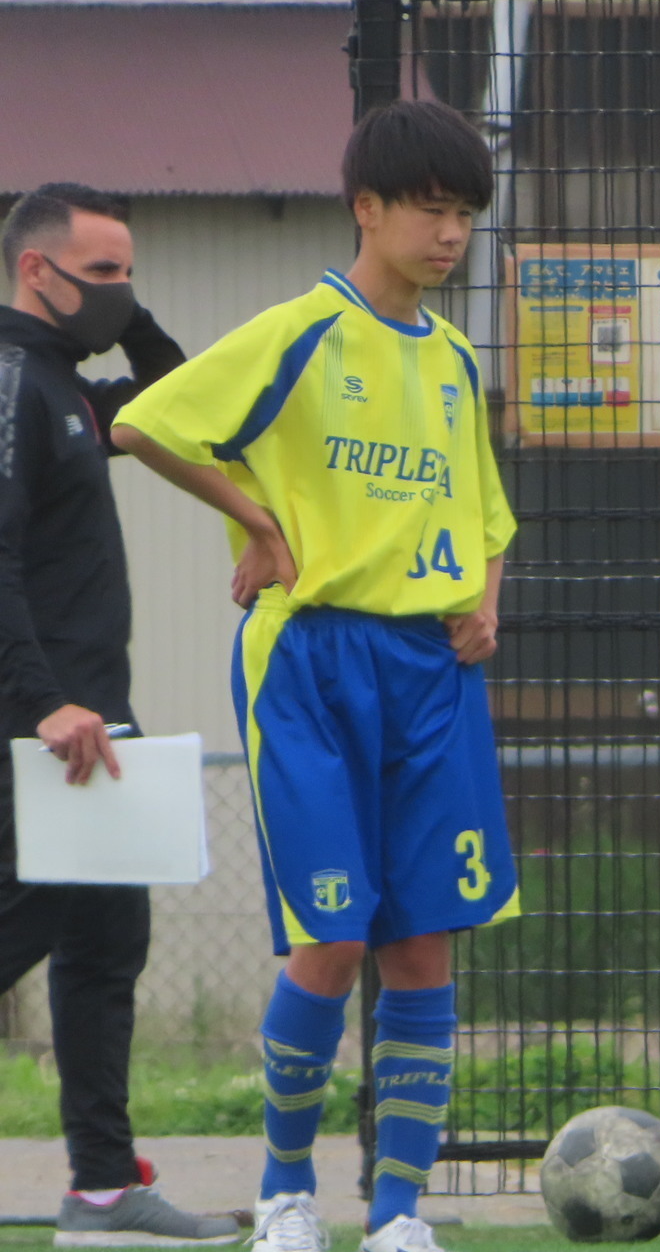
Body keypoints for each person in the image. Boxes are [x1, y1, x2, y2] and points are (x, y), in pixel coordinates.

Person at [112, 101, 520, 1252]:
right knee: (330, 940)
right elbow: (148, 425)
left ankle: (396, 1213)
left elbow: (485, 511)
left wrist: (486, 601)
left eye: (465, 217)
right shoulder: (302, 330)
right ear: (369, 208)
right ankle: (287, 1192)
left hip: (431, 667)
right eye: (431, 211)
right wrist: (257, 521)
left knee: (423, 942)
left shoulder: (453, 356)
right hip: (310, 657)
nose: (450, 235)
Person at [0, 184, 241, 1246]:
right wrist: (42, 700)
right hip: (41, 723)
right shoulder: (12, 383)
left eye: (129, 272)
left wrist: (126, 312)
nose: (120, 292)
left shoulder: (68, 386)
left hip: (102, 722)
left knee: (109, 943)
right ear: (32, 271)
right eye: (101, 273)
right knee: (27, 927)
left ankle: (102, 1191)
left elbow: (179, 397)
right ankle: (99, 1186)